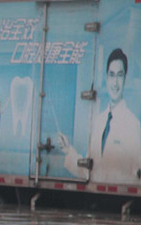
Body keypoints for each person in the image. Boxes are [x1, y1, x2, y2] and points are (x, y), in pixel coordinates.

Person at [60, 47, 141, 183]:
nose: (115, 83)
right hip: (95, 191)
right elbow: (88, 171)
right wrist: (68, 150)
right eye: (112, 75)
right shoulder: (99, 122)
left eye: (120, 75)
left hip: (119, 194)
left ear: (125, 79)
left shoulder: (133, 125)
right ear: (106, 78)